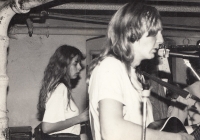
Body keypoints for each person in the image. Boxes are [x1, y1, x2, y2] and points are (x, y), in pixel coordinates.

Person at [87, 2, 194, 140]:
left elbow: (145, 132)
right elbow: (112, 131)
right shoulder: (110, 67)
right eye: (155, 33)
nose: (161, 40)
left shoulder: (133, 75)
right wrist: (175, 138)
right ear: (132, 32)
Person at [37, 45, 89, 140]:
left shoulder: (58, 87)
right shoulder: (59, 88)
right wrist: (80, 118)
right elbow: (47, 127)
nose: (80, 67)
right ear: (64, 64)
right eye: (75, 63)